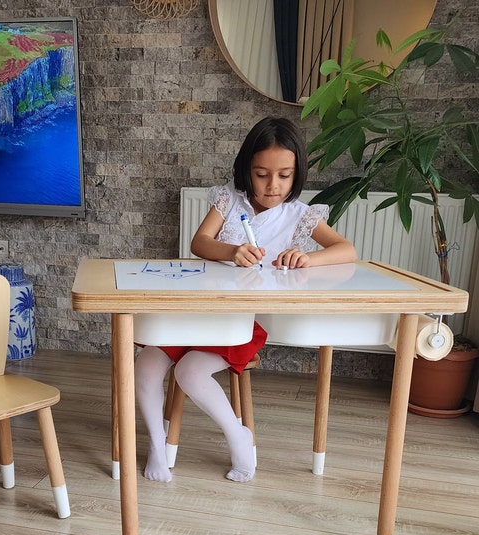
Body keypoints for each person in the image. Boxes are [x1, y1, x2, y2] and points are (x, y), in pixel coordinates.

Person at [135, 116, 356, 484]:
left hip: (240, 322)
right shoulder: (229, 199)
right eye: (262, 174)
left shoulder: (299, 215)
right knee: (145, 364)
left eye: (284, 175)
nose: (273, 186)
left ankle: (238, 434)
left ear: (297, 171)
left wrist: (306, 257)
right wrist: (232, 249)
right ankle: (157, 445)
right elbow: (199, 243)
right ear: (246, 170)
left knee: (190, 370)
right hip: (199, 308)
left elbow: (346, 250)